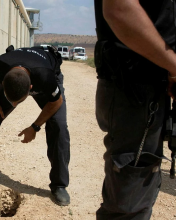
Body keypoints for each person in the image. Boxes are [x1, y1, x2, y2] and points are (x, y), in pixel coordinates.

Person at [0, 45, 71, 206]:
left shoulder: (46, 78)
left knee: (58, 126)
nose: (14, 105)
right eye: (11, 100)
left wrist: (35, 127)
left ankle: (59, 185)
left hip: (44, 69)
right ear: (2, 81)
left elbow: (56, 101)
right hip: (16, 72)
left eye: (18, 101)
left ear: (31, 90)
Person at [94, 0, 176, 219]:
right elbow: (119, 9)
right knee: (129, 208)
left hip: (147, 85)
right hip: (135, 85)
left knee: (138, 198)